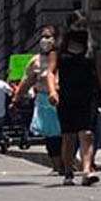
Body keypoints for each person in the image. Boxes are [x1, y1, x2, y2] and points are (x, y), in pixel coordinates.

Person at [47, 20, 101, 185]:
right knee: (68, 136)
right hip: (66, 95)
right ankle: (68, 172)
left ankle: (87, 170)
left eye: (83, 26)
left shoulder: (92, 47)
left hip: (88, 94)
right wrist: (53, 91)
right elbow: (51, 72)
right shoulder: (59, 48)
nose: (80, 30)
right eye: (76, 26)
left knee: (87, 133)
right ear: (69, 27)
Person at [17, 26, 61, 168]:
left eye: (48, 37)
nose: (44, 40)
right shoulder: (36, 60)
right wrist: (16, 98)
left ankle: (66, 160)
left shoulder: (63, 56)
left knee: (66, 132)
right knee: (51, 134)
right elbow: (27, 81)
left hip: (62, 97)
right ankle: (56, 164)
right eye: (42, 36)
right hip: (44, 100)